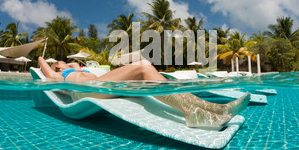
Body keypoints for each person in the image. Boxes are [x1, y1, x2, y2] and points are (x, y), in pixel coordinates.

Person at [38, 56, 250, 129]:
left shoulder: (78, 69)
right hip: (83, 94)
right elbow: (42, 68)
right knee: (143, 67)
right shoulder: (58, 75)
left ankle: (212, 107)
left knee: (158, 78)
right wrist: (50, 63)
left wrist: (75, 66)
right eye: (59, 62)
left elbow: (76, 66)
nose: (62, 62)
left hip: (98, 86)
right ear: (56, 66)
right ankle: (191, 113)